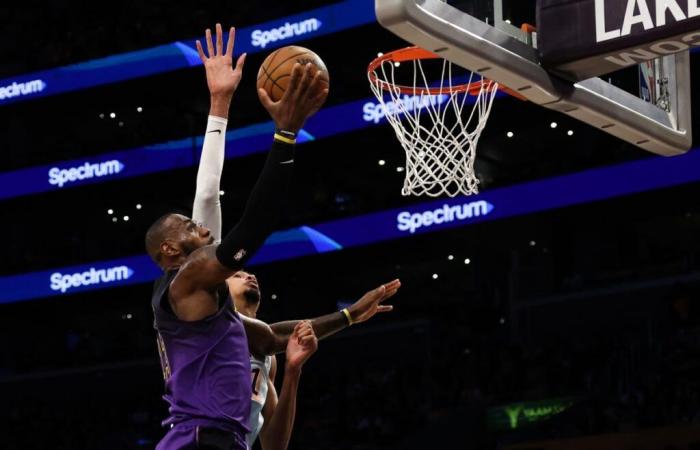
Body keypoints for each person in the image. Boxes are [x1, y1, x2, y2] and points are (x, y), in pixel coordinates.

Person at [147, 24, 400, 450]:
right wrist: (284, 135)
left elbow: (273, 338)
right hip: (196, 441)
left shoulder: (212, 312)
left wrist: (350, 316)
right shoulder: (185, 279)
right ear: (170, 250)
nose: (204, 228)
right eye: (191, 228)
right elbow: (249, 226)